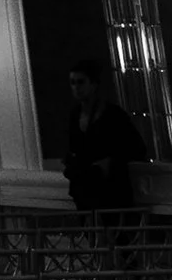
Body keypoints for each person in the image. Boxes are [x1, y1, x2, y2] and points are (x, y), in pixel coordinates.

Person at [63, 61, 149, 219]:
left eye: (81, 82)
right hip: (84, 187)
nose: (76, 88)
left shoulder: (113, 115)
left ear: (94, 84)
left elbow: (137, 148)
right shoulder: (74, 115)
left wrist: (109, 162)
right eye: (72, 83)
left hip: (111, 189)